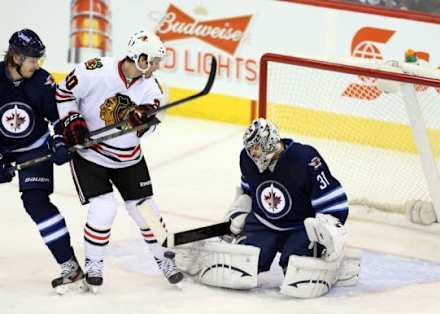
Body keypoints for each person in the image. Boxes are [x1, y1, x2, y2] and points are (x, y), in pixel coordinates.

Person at [55, 30, 183, 293]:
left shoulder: (154, 88)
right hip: (91, 155)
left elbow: (151, 120)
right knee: (103, 210)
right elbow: (64, 94)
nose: (158, 66)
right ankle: (94, 264)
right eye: (155, 60)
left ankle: (164, 259)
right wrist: (71, 121)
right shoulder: (94, 70)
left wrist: (142, 121)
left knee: (146, 211)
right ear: (140, 57)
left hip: (129, 159)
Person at [176, 118, 359, 298]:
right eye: (251, 148)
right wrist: (239, 212)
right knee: (240, 266)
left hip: (299, 227)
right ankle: (203, 257)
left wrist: (328, 226)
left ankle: (338, 267)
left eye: (257, 147)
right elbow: (248, 192)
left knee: (300, 274)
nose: (253, 153)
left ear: (271, 142)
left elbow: (332, 198)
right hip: (263, 224)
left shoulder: (305, 158)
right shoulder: (246, 159)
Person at [0, 28, 83, 293]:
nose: (37, 65)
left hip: (35, 149)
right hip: (4, 150)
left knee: (35, 202)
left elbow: (59, 117)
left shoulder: (41, 81)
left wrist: (60, 141)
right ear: (15, 57)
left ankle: (69, 265)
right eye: (32, 60)